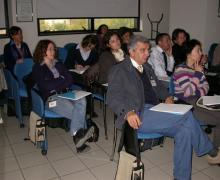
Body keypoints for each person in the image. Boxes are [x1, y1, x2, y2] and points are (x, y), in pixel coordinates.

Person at [107, 35, 220, 180]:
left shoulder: (147, 67)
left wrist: (167, 96)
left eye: (148, 50)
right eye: (143, 50)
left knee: (184, 130)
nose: (147, 53)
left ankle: (181, 177)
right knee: (186, 116)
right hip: (137, 114)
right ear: (131, 51)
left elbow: (159, 87)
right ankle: (212, 151)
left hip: (156, 110)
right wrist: (127, 112)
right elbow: (113, 96)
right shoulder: (120, 69)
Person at [32, 39, 95, 153]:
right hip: (51, 99)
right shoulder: (38, 68)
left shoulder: (58, 63)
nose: (53, 51)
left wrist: (57, 82)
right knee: (75, 110)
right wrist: (61, 80)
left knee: (82, 101)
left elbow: (69, 80)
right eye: (49, 49)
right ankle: (80, 138)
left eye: (53, 49)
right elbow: (46, 86)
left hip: (66, 93)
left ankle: (78, 136)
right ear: (42, 51)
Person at [173, 39, 220, 149]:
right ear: (189, 53)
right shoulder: (180, 69)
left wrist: (197, 88)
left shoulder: (197, 68)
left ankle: (217, 149)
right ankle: (216, 152)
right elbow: (188, 92)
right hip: (186, 105)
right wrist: (198, 74)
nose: (201, 53)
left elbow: (206, 88)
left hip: (199, 101)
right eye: (198, 50)